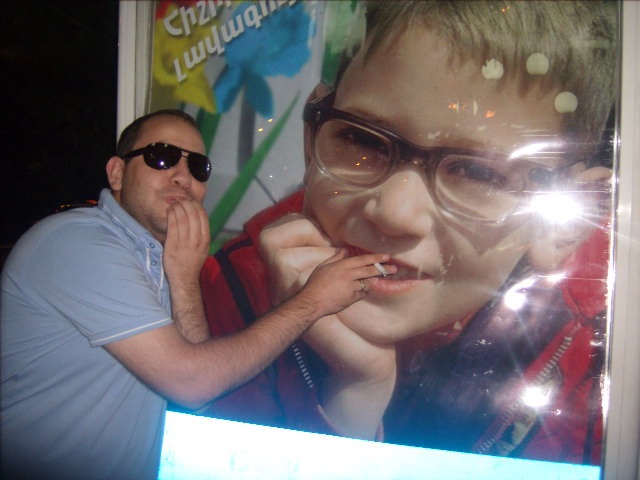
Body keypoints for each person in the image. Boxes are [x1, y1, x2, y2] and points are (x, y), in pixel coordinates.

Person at [198, 0, 617, 466]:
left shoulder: (611, 350)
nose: (393, 213)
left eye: (479, 173)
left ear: (567, 221)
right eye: (360, 139)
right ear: (312, 139)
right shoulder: (229, 292)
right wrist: (353, 399)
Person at [0, 109, 390, 480]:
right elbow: (192, 382)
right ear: (117, 173)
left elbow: (200, 395)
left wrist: (186, 278)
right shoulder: (80, 243)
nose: (183, 177)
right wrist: (312, 301)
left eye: (197, 167)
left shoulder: (160, 258)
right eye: (162, 157)